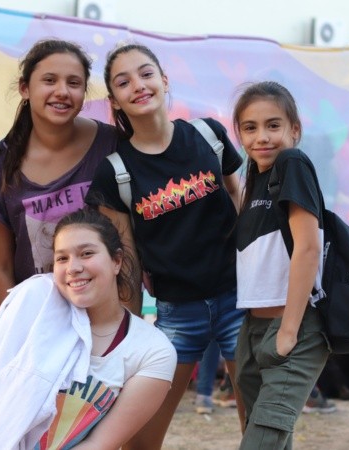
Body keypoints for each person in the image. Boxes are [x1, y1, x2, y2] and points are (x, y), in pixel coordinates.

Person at [85, 42, 246, 448]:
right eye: (124, 82)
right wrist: (128, 339)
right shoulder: (115, 172)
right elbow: (127, 263)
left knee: (262, 429)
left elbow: (238, 197)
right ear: (114, 100)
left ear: (164, 80)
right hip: (177, 314)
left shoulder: (209, 136)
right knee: (138, 440)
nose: (138, 86)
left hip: (238, 301)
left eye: (146, 74)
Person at [0, 207, 177, 449]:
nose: (73, 267)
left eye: (86, 253)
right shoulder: (34, 305)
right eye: (62, 258)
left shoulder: (152, 351)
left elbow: (98, 444)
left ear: (117, 261)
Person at [0, 39, 136, 313]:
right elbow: (0, 266)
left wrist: (124, 324)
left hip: (105, 316)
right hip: (39, 319)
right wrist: (16, 328)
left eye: (74, 83)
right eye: (49, 80)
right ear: (24, 88)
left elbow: (127, 247)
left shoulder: (111, 144)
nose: (62, 91)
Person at [231, 80, 330, 449]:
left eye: (273, 125)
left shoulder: (292, 163)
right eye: (250, 127)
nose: (262, 137)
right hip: (254, 327)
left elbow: (308, 248)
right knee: (268, 438)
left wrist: (289, 330)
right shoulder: (256, 178)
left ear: (295, 130)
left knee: (260, 441)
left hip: (293, 326)